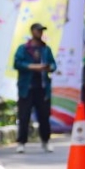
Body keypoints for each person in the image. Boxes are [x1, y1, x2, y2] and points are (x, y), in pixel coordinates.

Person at [12, 22, 57, 153]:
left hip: (42, 88)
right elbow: (17, 63)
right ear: (32, 31)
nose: (40, 33)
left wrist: (48, 67)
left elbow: (53, 65)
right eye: (38, 30)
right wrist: (32, 67)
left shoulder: (45, 49)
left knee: (44, 116)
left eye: (42, 31)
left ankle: (46, 141)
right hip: (26, 87)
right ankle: (21, 142)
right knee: (24, 116)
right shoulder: (24, 48)